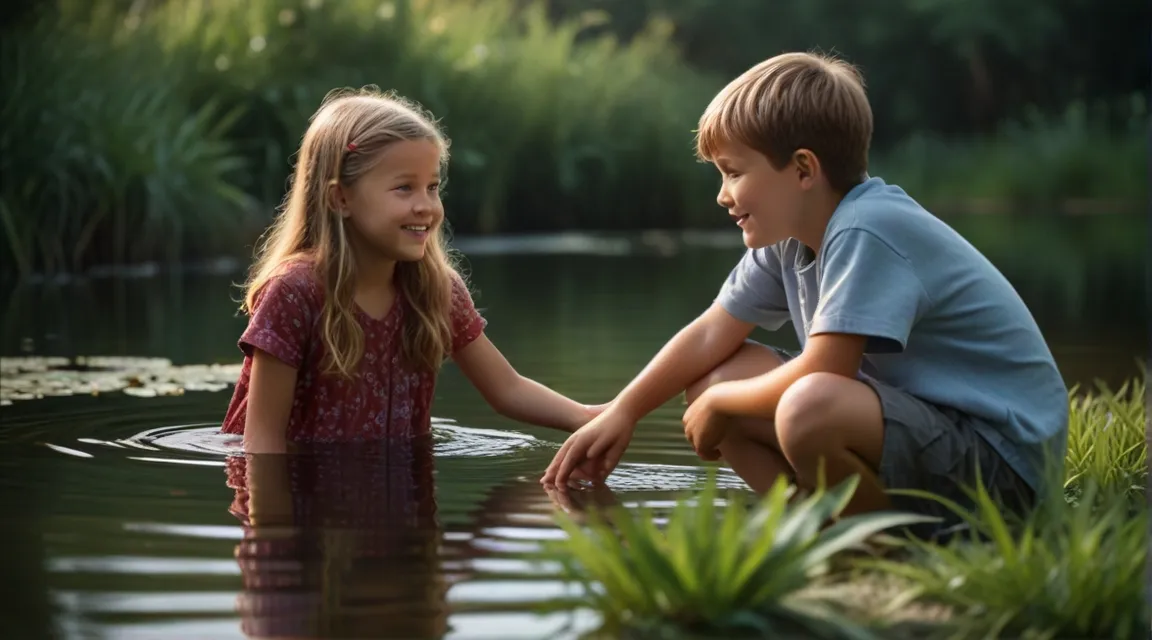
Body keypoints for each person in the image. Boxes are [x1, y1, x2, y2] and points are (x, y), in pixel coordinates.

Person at [542, 52, 1068, 534]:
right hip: (926, 433)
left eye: (733, 173)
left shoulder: (868, 226)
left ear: (802, 170)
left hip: (1000, 468)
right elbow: (711, 333)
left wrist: (725, 404)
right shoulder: (790, 240)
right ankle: (814, 531)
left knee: (805, 404)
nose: (723, 196)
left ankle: (879, 551)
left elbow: (826, 369)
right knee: (715, 378)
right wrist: (625, 409)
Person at [220, 87, 605, 456]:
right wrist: (274, 524)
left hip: (402, 503)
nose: (427, 207)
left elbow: (508, 389)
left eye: (433, 187)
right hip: (302, 505)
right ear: (341, 198)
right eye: (404, 188)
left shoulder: (435, 289)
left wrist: (591, 418)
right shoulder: (294, 292)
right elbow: (262, 446)